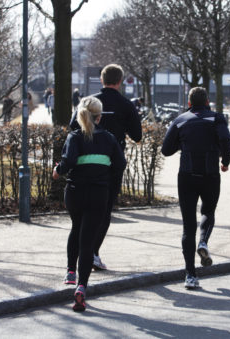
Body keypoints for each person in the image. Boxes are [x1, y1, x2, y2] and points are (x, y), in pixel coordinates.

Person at [53, 96, 126, 312]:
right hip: (98, 193)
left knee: (76, 227)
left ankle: (70, 271)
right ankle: (81, 288)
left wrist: (57, 171)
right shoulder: (109, 138)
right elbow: (120, 164)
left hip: (75, 192)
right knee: (88, 241)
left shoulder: (74, 137)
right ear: (99, 117)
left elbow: (67, 163)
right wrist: (106, 176)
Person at [69, 64, 142, 272]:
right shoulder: (126, 105)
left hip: (84, 162)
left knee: (81, 213)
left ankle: (76, 262)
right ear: (119, 81)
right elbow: (137, 136)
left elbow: (72, 127)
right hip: (111, 165)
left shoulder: (86, 102)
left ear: (101, 80)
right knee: (104, 210)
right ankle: (92, 253)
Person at [161, 87, 230, 290]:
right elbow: (225, 139)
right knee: (208, 211)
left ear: (189, 103)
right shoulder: (217, 118)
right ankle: (203, 242)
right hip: (210, 174)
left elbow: (166, 150)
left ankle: (190, 275)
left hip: (187, 176)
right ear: (208, 101)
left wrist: (183, 143)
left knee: (187, 225)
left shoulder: (180, 119)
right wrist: (225, 161)